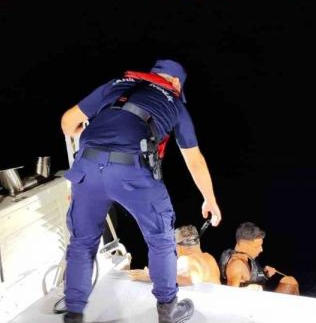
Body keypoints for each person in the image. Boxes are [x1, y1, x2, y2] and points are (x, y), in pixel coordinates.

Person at [60, 59, 222, 323]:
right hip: (131, 170)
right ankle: (168, 309)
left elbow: (68, 124)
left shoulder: (116, 84)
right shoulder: (175, 104)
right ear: (176, 82)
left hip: (87, 167)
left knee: (82, 242)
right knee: (160, 238)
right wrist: (210, 199)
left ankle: (74, 314)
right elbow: (194, 160)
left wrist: (87, 136)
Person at [220, 222, 299, 294]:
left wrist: (265, 274)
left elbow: (253, 277)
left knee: (290, 280)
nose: (261, 250)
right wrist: (247, 289)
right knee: (290, 282)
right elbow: (230, 294)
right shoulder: (237, 264)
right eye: (257, 246)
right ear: (244, 245)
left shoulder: (246, 258)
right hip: (248, 304)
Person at [128, 224, 221, 286]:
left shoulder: (186, 259)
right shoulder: (210, 258)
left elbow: (191, 277)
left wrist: (153, 275)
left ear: (177, 246)